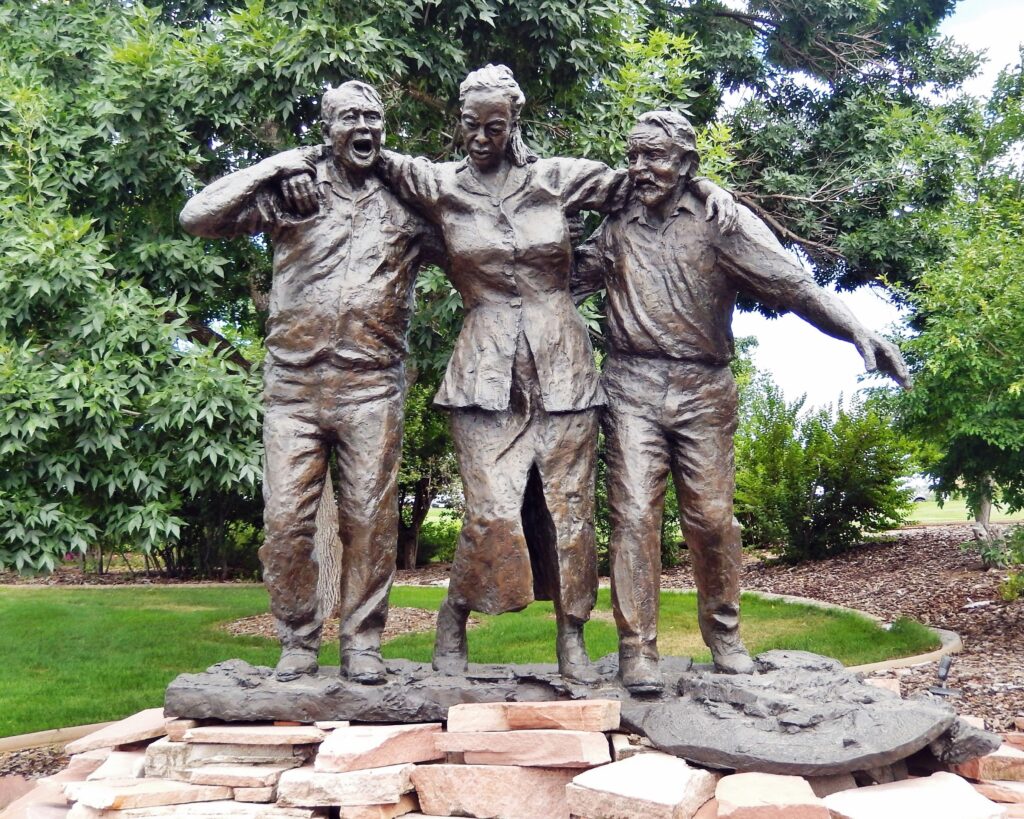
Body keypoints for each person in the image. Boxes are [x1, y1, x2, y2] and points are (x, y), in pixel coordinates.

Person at [375, 66, 736, 684]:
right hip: (484, 370)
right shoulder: (437, 184)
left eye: (494, 126)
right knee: (490, 510)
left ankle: (572, 634)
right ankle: (455, 614)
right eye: (471, 125)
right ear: (459, 122)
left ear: (513, 124)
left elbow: (648, 181)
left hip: (563, 366)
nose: (481, 138)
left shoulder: (557, 179)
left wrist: (708, 189)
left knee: (572, 513)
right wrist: (300, 166)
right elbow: (361, 154)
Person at [574, 110, 911, 693]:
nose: (639, 168)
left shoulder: (720, 221)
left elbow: (796, 287)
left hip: (704, 389)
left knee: (711, 520)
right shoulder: (616, 222)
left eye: (654, 156)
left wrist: (858, 329)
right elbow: (555, 278)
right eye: (633, 156)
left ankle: (725, 635)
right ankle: (637, 648)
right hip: (631, 385)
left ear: (685, 163)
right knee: (633, 518)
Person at [179, 81, 442, 685]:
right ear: (327, 129)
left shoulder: (406, 201)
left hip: (371, 386)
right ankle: (297, 640)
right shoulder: (293, 190)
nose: (364, 128)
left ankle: (362, 644)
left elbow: (476, 250)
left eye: (373, 118)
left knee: (370, 523)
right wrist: (275, 165)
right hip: (293, 388)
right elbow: (197, 217)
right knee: (285, 523)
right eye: (350, 118)